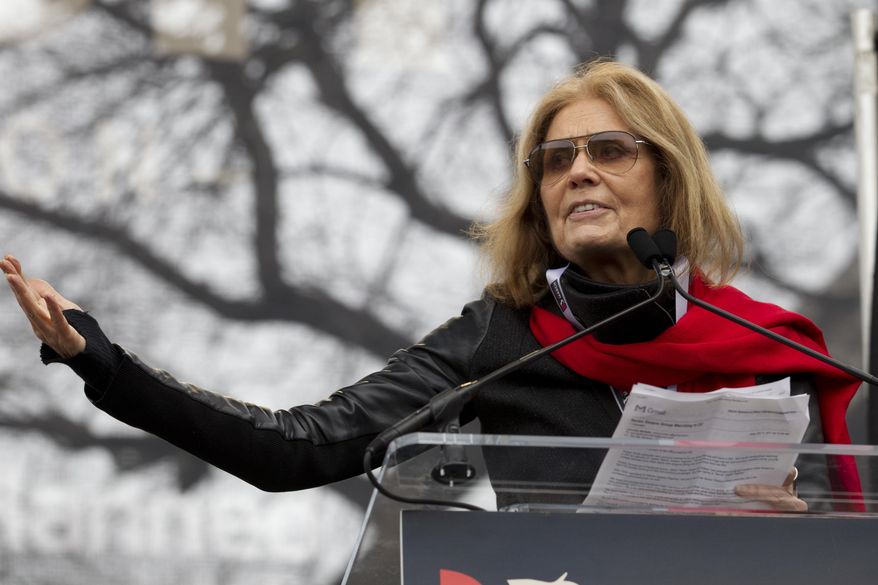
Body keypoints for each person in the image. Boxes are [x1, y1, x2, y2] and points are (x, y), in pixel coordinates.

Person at [1, 59, 861, 512]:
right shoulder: (502, 334)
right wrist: (99, 358)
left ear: (669, 179)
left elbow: (835, 526)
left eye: (611, 149)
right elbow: (296, 445)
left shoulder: (767, 346)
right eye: (557, 159)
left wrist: (801, 532)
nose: (580, 173)